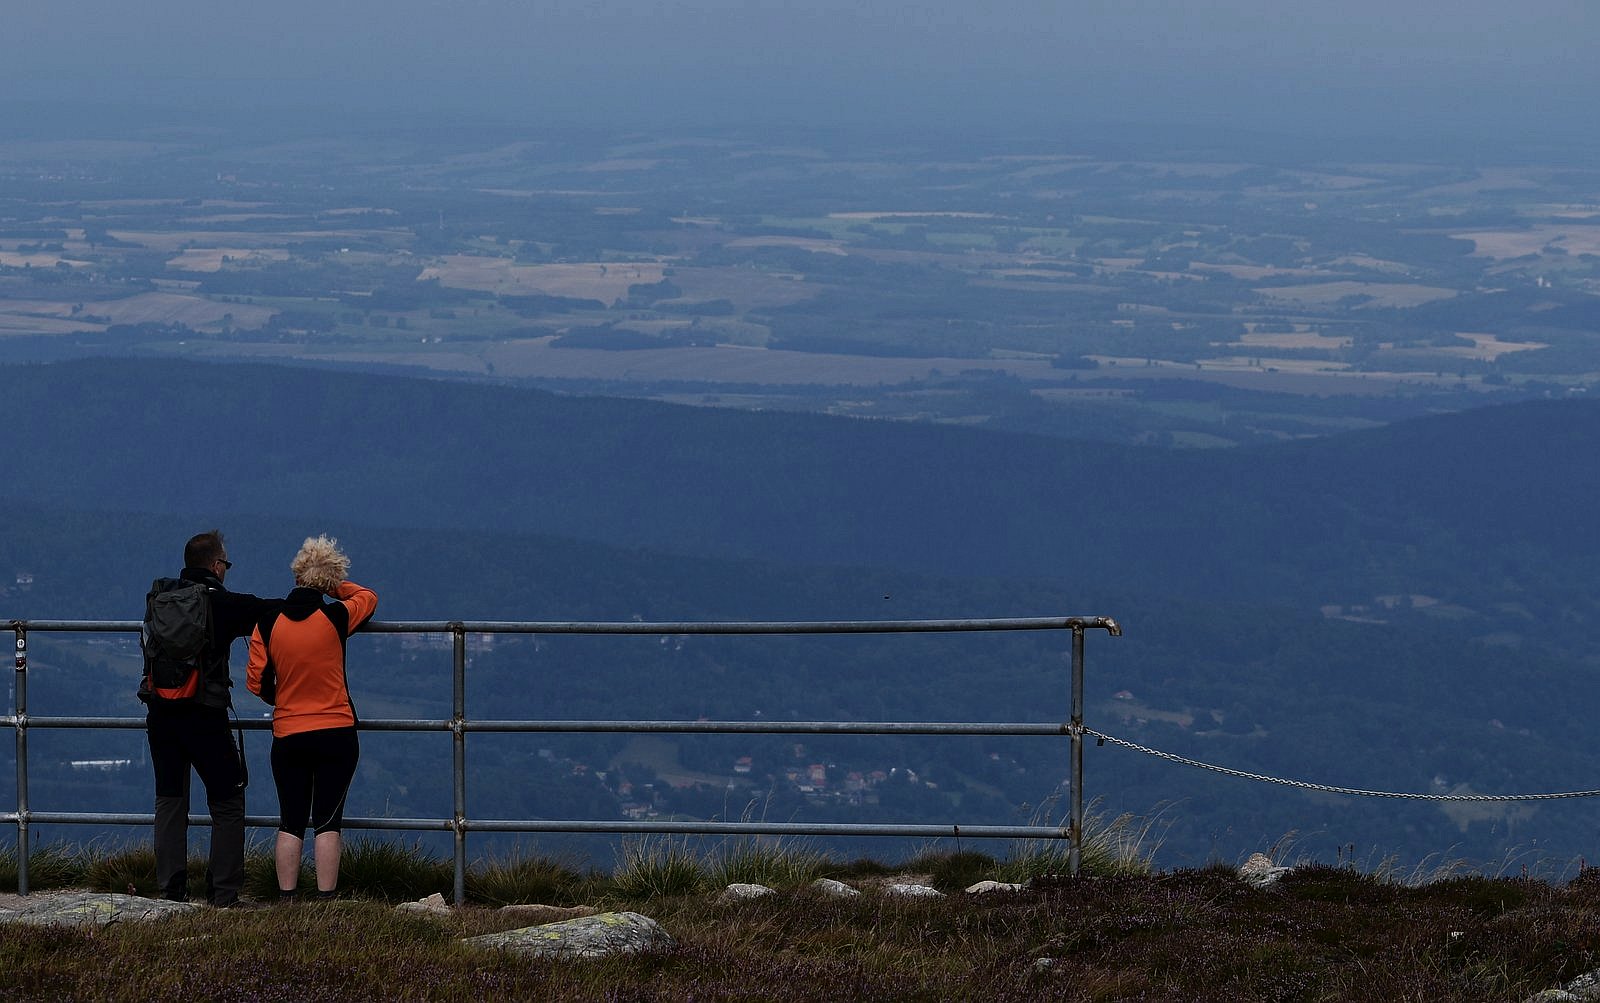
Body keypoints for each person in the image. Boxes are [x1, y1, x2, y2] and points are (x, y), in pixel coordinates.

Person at [142, 529, 276, 907]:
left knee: (169, 800)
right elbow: (273, 611)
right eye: (226, 563)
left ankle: (171, 891)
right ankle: (223, 892)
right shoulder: (222, 603)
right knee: (227, 800)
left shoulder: (161, 599)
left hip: (161, 714)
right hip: (204, 714)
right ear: (217, 566)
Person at [246, 535, 378, 901]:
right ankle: (325, 898)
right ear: (330, 579)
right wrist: (334, 585)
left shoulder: (268, 623)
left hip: (289, 732)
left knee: (291, 819)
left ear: (296, 575)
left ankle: (287, 897)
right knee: (327, 820)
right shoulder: (336, 617)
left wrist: (279, 698)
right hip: (336, 731)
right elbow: (368, 598)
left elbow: (254, 680)